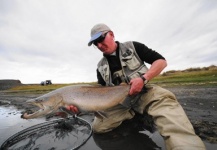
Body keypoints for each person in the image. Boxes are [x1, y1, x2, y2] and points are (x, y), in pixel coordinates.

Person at [69, 23, 206, 150]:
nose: (99, 45)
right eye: (95, 43)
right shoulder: (100, 67)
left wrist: (143, 78)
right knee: (99, 127)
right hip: (120, 103)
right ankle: (132, 113)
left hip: (145, 92)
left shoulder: (133, 47)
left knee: (168, 111)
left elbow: (161, 62)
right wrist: (79, 108)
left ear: (111, 34)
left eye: (101, 39)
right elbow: (100, 94)